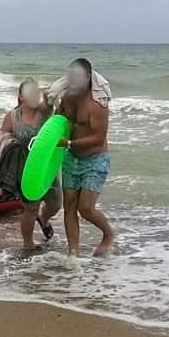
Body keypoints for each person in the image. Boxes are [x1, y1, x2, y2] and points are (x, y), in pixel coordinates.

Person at [56, 58, 116, 257]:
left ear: (88, 77)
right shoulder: (67, 97)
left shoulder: (97, 104)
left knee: (86, 208)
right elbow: (58, 121)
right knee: (69, 206)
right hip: (70, 158)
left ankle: (108, 234)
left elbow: (98, 138)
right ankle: (73, 252)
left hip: (94, 159)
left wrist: (70, 143)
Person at [0, 78, 60, 249]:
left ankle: (45, 218)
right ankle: (28, 245)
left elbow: (51, 95)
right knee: (30, 209)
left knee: (55, 205)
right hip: (24, 170)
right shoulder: (12, 116)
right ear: (20, 97)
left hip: (47, 168)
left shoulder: (45, 112)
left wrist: (51, 88)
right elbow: (1, 139)